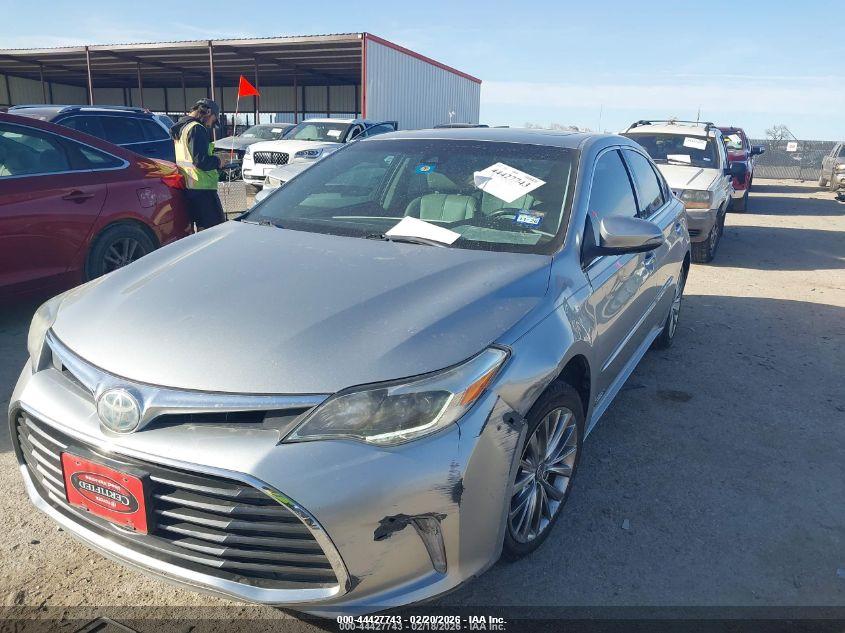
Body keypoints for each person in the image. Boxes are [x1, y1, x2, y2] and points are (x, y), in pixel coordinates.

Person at [170, 99, 224, 230]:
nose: (211, 125)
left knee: (201, 228)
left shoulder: (182, 128)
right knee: (214, 229)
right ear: (208, 112)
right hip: (203, 188)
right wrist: (219, 161)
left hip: (189, 186)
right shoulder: (196, 128)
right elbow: (200, 161)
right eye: (213, 120)